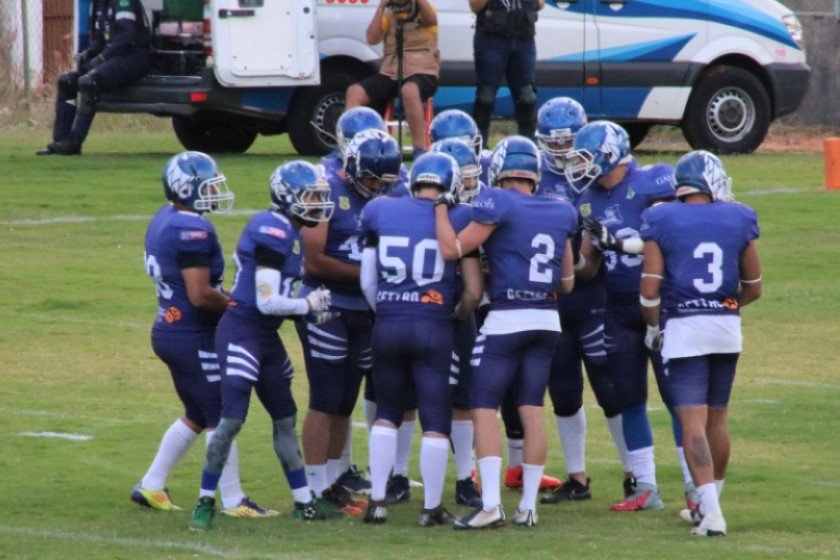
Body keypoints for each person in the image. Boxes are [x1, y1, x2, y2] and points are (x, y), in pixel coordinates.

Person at [188, 161, 344, 531]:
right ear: (287, 197)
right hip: (242, 331)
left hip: (265, 337)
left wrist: (307, 312)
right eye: (310, 196)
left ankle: (305, 502)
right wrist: (307, 305)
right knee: (230, 421)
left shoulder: (289, 232)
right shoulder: (271, 229)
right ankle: (205, 500)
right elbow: (267, 301)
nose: (318, 204)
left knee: (285, 420)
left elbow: (276, 304)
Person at [436, 136, 578, 529]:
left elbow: (453, 249)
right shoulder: (562, 209)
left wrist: (439, 211)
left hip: (507, 317)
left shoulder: (497, 201)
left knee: (483, 409)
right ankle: (528, 506)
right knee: (532, 409)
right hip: (547, 319)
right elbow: (566, 282)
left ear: (499, 171)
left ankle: (491, 505)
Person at [135, 151, 275, 518]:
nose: (215, 192)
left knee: (197, 413)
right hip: (190, 333)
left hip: (169, 327)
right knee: (221, 414)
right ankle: (233, 500)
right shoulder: (192, 228)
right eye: (207, 185)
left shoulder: (166, 217)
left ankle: (151, 484)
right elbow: (200, 294)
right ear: (187, 187)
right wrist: (236, 307)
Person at [639, 151, 761, 537]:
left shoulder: (662, 217)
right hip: (725, 326)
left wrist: (655, 327)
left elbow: (648, 291)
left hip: (684, 328)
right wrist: (722, 305)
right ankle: (711, 504)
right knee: (718, 417)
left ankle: (711, 513)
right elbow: (754, 287)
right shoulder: (738, 215)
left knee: (693, 422)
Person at [359, 152, 483, 525]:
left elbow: (367, 280)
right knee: (434, 419)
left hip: (389, 322)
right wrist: (452, 315)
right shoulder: (460, 216)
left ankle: (377, 501)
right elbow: (474, 292)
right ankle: (430, 508)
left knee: (386, 413)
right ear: (451, 185)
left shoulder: (380, 209)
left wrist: (389, 309)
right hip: (433, 325)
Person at [569, 121, 679, 511]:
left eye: (584, 157)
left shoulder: (654, 182)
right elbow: (588, 266)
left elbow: (671, 237)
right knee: (629, 398)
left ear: (609, 152)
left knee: (677, 399)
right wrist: (565, 261)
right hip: (617, 307)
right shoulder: (588, 199)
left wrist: (619, 241)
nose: (579, 166)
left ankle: (695, 486)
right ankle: (646, 486)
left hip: (660, 305)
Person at [532, 98, 635, 504]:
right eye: (552, 144)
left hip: (593, 295)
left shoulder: (600, 175)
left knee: (609, 387)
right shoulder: (532, 175)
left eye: (567, 143)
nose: (560, 152)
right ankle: (577, 476)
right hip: (553, 298)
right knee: (563, 390)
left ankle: (634, 473)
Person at [296, 130, 402, 515]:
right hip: (326, 304)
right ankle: (310, 490)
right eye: (372, 179)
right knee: (324, 396)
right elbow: (314, 261)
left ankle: (330, 482)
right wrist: (366, 274)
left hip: (363, 308)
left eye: (384, 181)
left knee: (345, 399)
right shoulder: (325, 190)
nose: (377, 187)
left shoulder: (389, 196)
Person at [36, 0, 151, 156]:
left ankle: (75, 141)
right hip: (114, 57)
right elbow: (99, 39)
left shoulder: (123, 2)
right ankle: (60, 141)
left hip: (133, 57)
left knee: (89, 82)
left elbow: (127, 37)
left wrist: (102, 58)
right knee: (66, 81)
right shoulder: (98, 4)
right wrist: (88, 53)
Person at [346, 0, 440, 159]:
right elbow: (372, 38)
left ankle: (419, 149)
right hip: (390, 72)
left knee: (409, 91)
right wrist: (381, 6)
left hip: (422, 70)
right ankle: (351, 147)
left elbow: (431, 20)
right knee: (354, 92)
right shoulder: (388, 12)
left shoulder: (425, 8)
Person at [469, 0, 545, 143]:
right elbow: (475, 6)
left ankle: (528, 148)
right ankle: (480, 150)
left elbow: (540, 4)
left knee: (527, 97)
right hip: (491, 39)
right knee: (485, 96)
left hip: (524, 39)